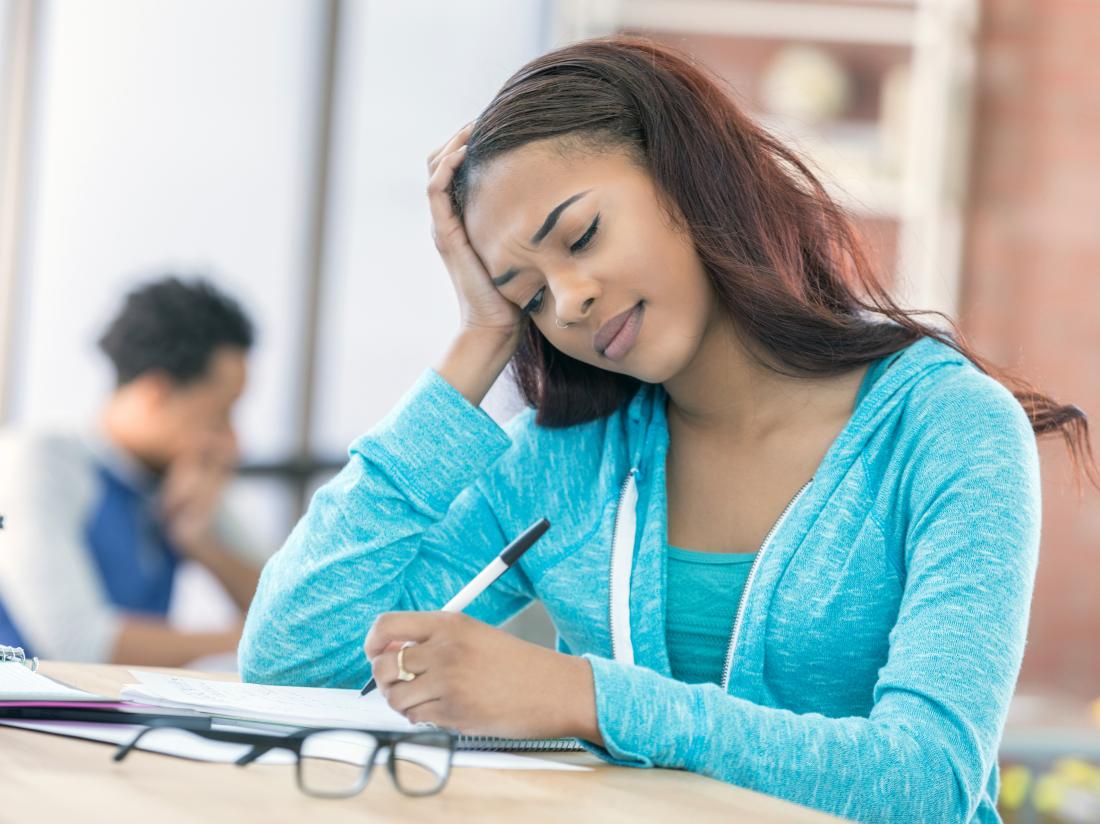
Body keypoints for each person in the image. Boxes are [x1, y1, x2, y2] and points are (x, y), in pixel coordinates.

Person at [238, 37, 1097, 822]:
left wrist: (586, 697)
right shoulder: (566, 461)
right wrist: (476, 343)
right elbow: (292, 661)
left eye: (581, 236)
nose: (567, 302)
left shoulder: (945, 429)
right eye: (528, 294)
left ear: (687, 175)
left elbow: (928, 781)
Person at [0, 276, 262, 666]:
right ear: (156, 393)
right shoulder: (40, 463)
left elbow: (290, 610)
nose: (232, 441)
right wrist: (253, 643)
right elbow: (79, 646)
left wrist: (203, 544)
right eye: (219, 413)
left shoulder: (180, 479)